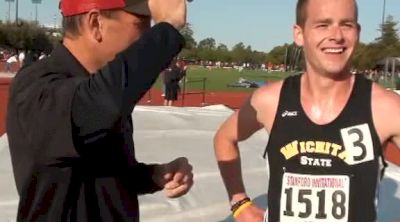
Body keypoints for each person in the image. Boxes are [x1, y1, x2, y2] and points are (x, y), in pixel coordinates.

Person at [6, 0, 193, 221]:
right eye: (142, 22)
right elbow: (94, 108)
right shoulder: (36, 85)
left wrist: (153, 175)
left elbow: (108, 169)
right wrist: (168, 27)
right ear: (96, 24)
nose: (149, 32)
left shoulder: (102, 90)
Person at [213, 0, 400, 221]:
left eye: (346, 24)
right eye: (323, 25)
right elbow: (224, 138)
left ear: (357, 32)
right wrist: (240, 203)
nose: (336, 36)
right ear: (299, 34)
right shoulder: (270, 101)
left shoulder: (386, 107)